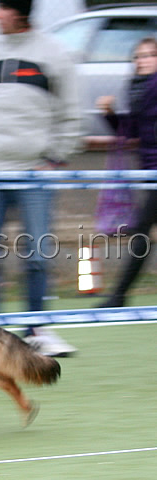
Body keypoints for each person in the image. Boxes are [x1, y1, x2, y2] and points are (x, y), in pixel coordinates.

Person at [0, 0, 81, 356]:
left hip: (34, 173)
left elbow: (71, 113)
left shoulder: (54, 54)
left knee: (37, 254)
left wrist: (55, 158)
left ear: (20, 12)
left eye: (1, 9)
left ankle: (37, 329)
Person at [95, 37, 157, 308]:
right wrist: (109, 113)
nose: (143, 60)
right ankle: (118, 295)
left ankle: (118, 295)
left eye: (150, 55)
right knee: (144, 233)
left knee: (143, 231)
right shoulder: (139, 89)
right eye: (138, 56)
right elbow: (130, 130)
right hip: (150, 171)